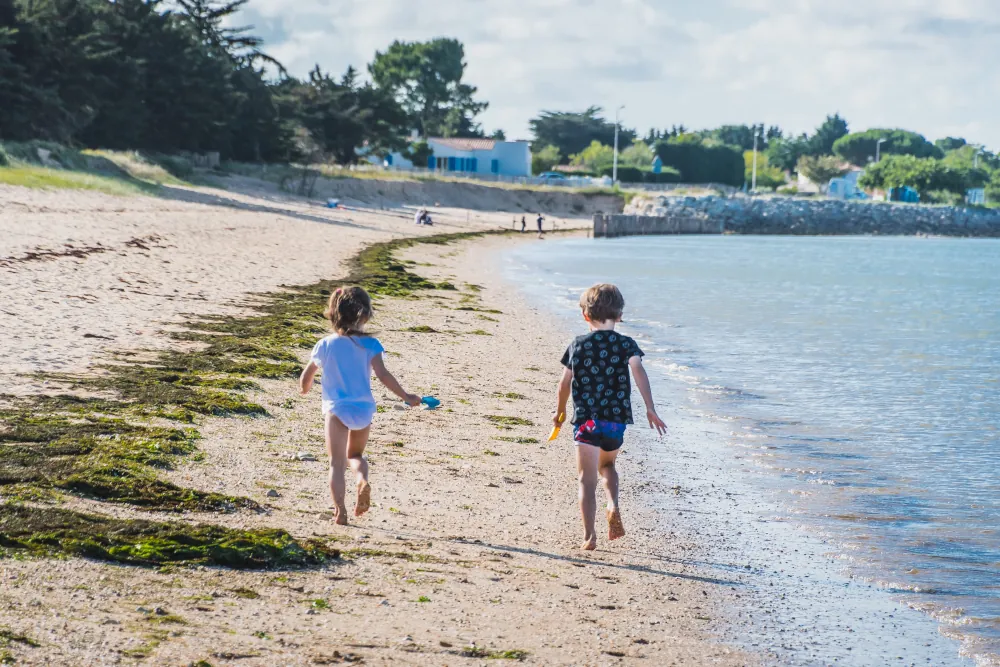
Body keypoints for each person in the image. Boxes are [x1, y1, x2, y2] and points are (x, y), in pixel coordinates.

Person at [552, 284, 668, 550]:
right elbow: (639, 372)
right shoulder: (627, 344)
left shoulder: (578, 344)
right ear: (619, 315)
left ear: (585, 315)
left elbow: (564, 383)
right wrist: (650, 408)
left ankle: (589, 536)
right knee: (608, 466)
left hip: (586, 421)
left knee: (586, 479)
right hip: (615, 420)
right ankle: (613, 504)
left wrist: (560, 412)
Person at [299, 287, 421, 524]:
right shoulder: (371, 345)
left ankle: (340, 512)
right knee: (355, 455)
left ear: (333, 314)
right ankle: (361, 480)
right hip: (363, 411)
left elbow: (307, 374)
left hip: (337, 410)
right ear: (365, 316)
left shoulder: (325, 344)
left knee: (336, 464)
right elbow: (383, 375)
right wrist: (406, 396)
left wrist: (304, 388)